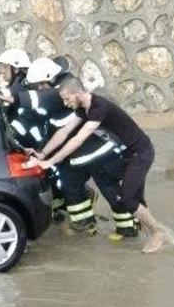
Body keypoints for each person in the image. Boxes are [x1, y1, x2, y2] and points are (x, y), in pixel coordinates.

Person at [24, 78, 166, 253]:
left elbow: (77, 140)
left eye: (67, 99)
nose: (65, 103)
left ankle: (157, 232)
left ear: (78, 93)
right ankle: (153, 235)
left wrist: (49, 162)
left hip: (141, 153)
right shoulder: (84, 108)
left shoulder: (99, 107)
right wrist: (43, 153)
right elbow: (64, 132)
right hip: (127, 154)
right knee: (136, 200)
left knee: (127, 198)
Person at [5, 60, 128, 236]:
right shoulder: (59, 94)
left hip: (98, 153)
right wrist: (41, 152)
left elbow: (42, 101)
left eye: (39, 85)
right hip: (78, 154)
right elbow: (51, 128)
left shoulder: (62, 94)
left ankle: (128, 228)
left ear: (49, 80)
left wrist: (9, 96)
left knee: (110, 189)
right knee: (69, 182)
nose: (39, 89)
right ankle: (84, 225)